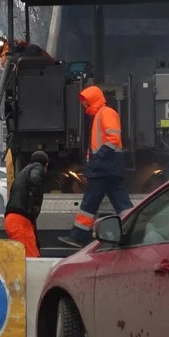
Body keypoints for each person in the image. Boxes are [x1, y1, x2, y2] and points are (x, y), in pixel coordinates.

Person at [61, 85, 134, 248]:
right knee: (121, 203)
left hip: (104, 168)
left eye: (86, 101)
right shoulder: (100, 115)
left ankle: (78, 236)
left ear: (94, 99)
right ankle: (134, 229)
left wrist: (96, 162)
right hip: (108, 168)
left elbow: (113, 139)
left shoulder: (106, 113)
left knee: (90, 202)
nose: (84, 105)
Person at [4, 151, 48, 258]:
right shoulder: (38, 168)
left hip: (15, 220)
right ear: (46, 165)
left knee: (29, 254)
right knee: (29, 258)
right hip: (19, 221)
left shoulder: (24, 172)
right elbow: (35, 178)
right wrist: (36, 203)